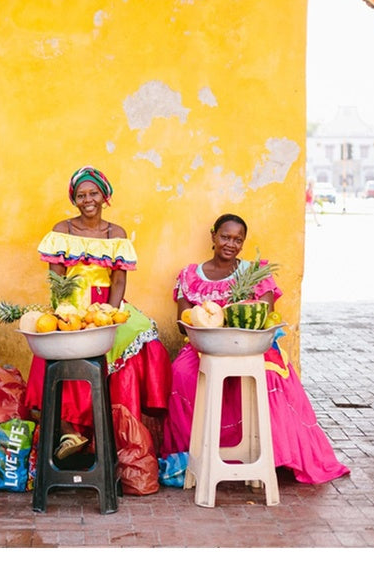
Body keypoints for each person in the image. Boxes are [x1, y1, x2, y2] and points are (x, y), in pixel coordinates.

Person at [159, 212, 350, 484]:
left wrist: (235, 317)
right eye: (225, 236)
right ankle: (195, 453)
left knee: (271, 375)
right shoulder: (190, 275)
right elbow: (182, 322)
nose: (231, 244)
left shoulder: (254, 273)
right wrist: (207, 319)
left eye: (238, 240)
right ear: (213, 236)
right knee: (181, 372)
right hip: (204, 344)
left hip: (251, 344)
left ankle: (269, 454)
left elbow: (264, 314)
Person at [24, 166, 172, 495]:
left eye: (93, 193)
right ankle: (70, 429)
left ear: (106, 196)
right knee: (56, 348)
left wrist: (113, 313)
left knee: (142, 339)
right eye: (81, 195)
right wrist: (68, 311)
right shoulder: (62, 229)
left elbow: (118, 279)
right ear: (74, 199)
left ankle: (119, 431)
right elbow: (57, 279)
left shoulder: (115, 232)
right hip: (71, 305)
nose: (87, 200)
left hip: (107, 304)